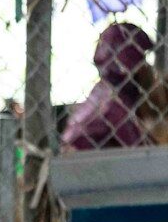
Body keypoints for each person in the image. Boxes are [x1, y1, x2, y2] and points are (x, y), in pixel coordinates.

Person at [60, 22, 155, 151]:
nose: (148, 67)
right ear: (132, 61)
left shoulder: (101, 92)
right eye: (143, 59)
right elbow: (143, 150)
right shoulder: (115, 104)